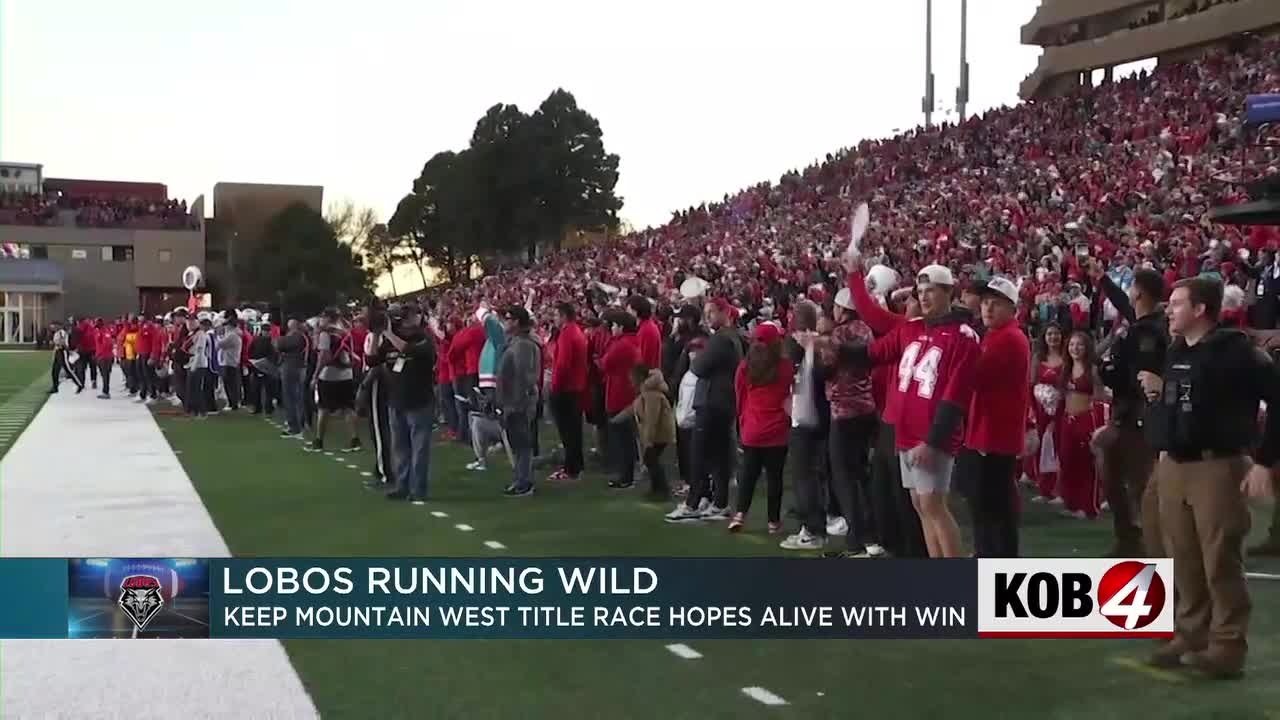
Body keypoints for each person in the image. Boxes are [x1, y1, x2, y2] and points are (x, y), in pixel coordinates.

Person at [1142, 276, 1278, 679]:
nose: (1169, 309)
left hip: (1217, 465)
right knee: (1181, 554)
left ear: (1201, 309)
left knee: (1220, 558)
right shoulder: (1177, 350)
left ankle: (1227, 645)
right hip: (1175, 464)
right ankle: (1192, 632)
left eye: (1177, 303)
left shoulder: (1238, 352)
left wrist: (1266, 462)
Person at [850, 264, 979, 558]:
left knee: (934, 505)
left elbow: (955, 395)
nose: (923, 297)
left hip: (930, 436)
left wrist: (933, 441)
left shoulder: (963, 335)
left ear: (948, 292)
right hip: (906, 433)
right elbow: (874, 353)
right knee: (921, 506)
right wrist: (834, 351)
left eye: (930, 291)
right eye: (920, 292)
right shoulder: (912, 329)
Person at [1091, 261, 1168, 556]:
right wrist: (1103, 280)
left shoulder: (1148, 332)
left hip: (1138, 418)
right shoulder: (1146, 324)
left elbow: (1135, 377)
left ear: (1139, 293)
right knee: (1114, 477)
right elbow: (1126, 307)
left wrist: (1106, 367)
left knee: (1140, 488)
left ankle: (1150, 550)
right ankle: (1130, 540)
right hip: (1126, 416)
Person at [958, 276, 1031, 558]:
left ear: (1012, 309)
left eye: (996, 304)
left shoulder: (1009, 338)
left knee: (992, 509)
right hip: (987, 431)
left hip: (995, 435)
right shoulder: (996, 335)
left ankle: (995, 563)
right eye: (986, 302)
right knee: (988, 507)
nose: (988, 308)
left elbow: (973, 376)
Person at [815, 286, 880, 556]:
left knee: (844, 478)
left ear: (841, 309)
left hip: (843, 413)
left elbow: (826, 371)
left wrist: (813, 350)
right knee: (862, 474)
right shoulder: (867, 330)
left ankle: (856, 539)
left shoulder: (837, 335)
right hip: (867, 409)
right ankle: (872, 536)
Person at [666, 298, 741, 522]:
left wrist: (697, 360)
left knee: (698, 455)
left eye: (711, 312)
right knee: (718, 456)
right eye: (706, 312)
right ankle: (718, 502)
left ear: (724, 312)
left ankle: (693, 503)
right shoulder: (732, 337)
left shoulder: (720, 339)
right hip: (723, 401)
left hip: (712, 401)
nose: (707, 317)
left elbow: (698, 367)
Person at [729, 322, 794, 534]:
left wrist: (742, 422)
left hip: (752, 429)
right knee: (775, 478)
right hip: (777, 430)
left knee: (748, 475)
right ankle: (773, 522)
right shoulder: (785, 367)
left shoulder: (744, 367)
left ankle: (740, 514)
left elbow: (739, 398)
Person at [381, 303, 437, 505]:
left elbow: (407, 349)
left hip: (419, 400)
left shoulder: (424, 339)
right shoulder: (393, 338)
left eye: (410, 314)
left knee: (419, 448)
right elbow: (372, 358)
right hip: (397, 400)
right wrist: (378, 332)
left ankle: (418, 488)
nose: (405, 319)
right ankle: (402, 485)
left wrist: (388, 333)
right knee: (400, 448)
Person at [1056, 331, 1105, 519]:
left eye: (1079, 345)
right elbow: (1062, 395)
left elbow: (1100, 396)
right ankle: (1072, 503)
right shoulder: (1065, 369)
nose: (1075, 348)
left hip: (1086, 418)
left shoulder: (1092, 370)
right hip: (1067, 419)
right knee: (1068, 460)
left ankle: (1089, 507)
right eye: (1072, 345)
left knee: (1086, 464)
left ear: (1086, 348)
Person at [496, 305, 543, 497]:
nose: (505, 322)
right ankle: (521, 479)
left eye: (508, 318)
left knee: (521, 444)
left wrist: (517, 403)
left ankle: (525, 482)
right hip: (513, 401)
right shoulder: (516, 342)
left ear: (516, 322)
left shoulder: (523, 345)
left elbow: (525, 376)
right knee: (517, 443)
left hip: (518, 403)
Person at [611, 364, 675, 500]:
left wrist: (649, 440)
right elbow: (634, 407)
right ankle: (657, 490)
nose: (630, 380)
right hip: (656, 434)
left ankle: (662, 491)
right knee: (651, 460)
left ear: (639, 377)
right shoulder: (645, 391)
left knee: (651, 460)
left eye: (632, 377)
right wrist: (617, 419)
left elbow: (652, 418)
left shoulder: (651, 393)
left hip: (659, 434)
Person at [599, 310, 641, 490]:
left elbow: (605, 363)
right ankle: (628, 474)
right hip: (628, 392)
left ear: (621, 327)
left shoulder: (622, 344)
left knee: (622, 438)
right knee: (627, 437)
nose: (612, 329)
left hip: (619, 394)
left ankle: (625, 476)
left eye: (614, 326)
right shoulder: (632, 341)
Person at [308, 309, 360, 453]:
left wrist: (315, 375)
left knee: (323, 408)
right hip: (347, 374)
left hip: (329, 375)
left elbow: (323, 356)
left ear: (327, 318)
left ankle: (318, 441)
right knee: (348, 408)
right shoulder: (345, 332)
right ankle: (355, 440)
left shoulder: (325, 333)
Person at [548, 303, 589, 482]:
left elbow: (563, 364)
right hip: (575, 387)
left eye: (556, 316)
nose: (554, 319)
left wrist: (555, 386)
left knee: (568, 431)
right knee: (574, 430)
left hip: (566, 388)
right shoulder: (576, 331)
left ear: (564, 316)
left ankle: (571, 468)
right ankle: (575, 466)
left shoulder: (567, 334)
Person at [1028, 324, 1066, 502]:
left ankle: (1060, 489)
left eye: (1056, 334)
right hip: (1040, 409)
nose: (1053, 337)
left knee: (1059, 446)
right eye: (1050, 334)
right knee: (1041, 447)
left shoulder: (1067, 358)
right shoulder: (1038, 358)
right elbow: (1031, 382)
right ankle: (1044, 488)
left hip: (1061, 408)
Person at [276, 318, 309, 438]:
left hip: (291, 367)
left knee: (291, 397)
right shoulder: (304, 336)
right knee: (298, 397)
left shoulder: (296, 337)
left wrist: (280, 340)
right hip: (299, 367)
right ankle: (300, 424)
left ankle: (295, 427)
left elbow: (279, 345)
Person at [217, 317, 244, 412]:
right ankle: (234, 403)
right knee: (232, 384)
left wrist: (218, 335)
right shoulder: (234, 334)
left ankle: (233, 404)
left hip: (229, 362)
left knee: (230, 384)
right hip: (231, 362)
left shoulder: (232, 335)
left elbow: (219, 344)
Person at [629, 295, 662, 369]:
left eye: (629, 310)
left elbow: (646, 359)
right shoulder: (645, 326)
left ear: (635, 311)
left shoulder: (647, 330)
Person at [49, 320, 82, 393]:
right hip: (57, 352)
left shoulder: (61, 332)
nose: (52, 328)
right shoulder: (56, 333)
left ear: (57, 326)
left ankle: (79, 384)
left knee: (68, 369)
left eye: (53, 326)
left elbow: (63, 341)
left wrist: (61, 345)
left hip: (62, 351)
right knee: (55, 371)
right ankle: (55, 387)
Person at [94, 320, 115, 399]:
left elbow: (107, 344)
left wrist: (100, 354)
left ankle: (106, 392)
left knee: (105, 374)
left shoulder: (105, 332)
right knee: (103, 374)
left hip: (105, 356)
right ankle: (105, 391)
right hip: (101, 356)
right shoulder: (98, 331)